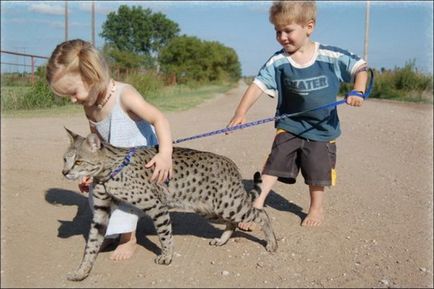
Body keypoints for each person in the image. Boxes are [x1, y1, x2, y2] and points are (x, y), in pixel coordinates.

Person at [227, 0, 368, 228]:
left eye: (288, 31)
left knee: (317, 171)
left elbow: (360, 68)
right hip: (290, 124)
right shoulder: (279, 62)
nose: (282, 37)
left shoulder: (329, 56)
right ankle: (257, 204)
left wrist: (358, 91)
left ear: (308, 27)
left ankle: (315, 207)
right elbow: (257, 85)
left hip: (322, 128)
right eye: (277, 31)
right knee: (274, 162)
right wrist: (240, 112)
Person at [46, 39, 173, 260]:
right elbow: (94, 141)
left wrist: (165, 155)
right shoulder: (90, 106)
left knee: (125, 197)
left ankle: (128, 238)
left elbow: (159, 118)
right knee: (98, 193)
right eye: (67, 97)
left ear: (92, 76)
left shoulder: (125, 96)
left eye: (73, 92)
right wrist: (88, 171)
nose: (73, 100)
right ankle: (112, 233)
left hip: (139, 160)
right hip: (113, 160)